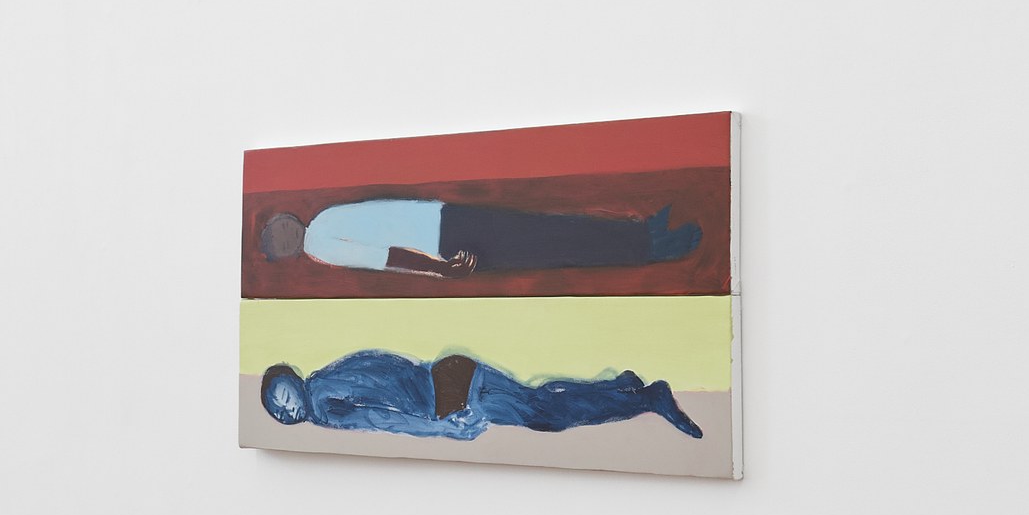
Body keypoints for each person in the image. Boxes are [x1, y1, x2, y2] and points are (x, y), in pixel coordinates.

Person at [258, 351, 702, 440]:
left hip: (450, 397)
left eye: (283, 397)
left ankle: (648, 398)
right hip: (449, 373)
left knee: (544, 415)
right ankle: (619, 386)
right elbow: (386, 367)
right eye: (279, 412)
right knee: (537, 401)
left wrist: (444, 427)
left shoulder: (325, 408)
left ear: (292, 380)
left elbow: (385, 419)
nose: (286, 409)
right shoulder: (329, 374)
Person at [256, 199, 702, 277]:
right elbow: (385, 256)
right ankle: (649, 246)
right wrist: (442, 269)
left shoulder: (323, 219)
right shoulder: (319, 244)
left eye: (280, 223)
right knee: (548, 243)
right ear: (285, 249)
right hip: (447, 241)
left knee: (545, 229)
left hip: (446, 219)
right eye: (279, 233)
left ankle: (641, 232)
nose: (285, 226)